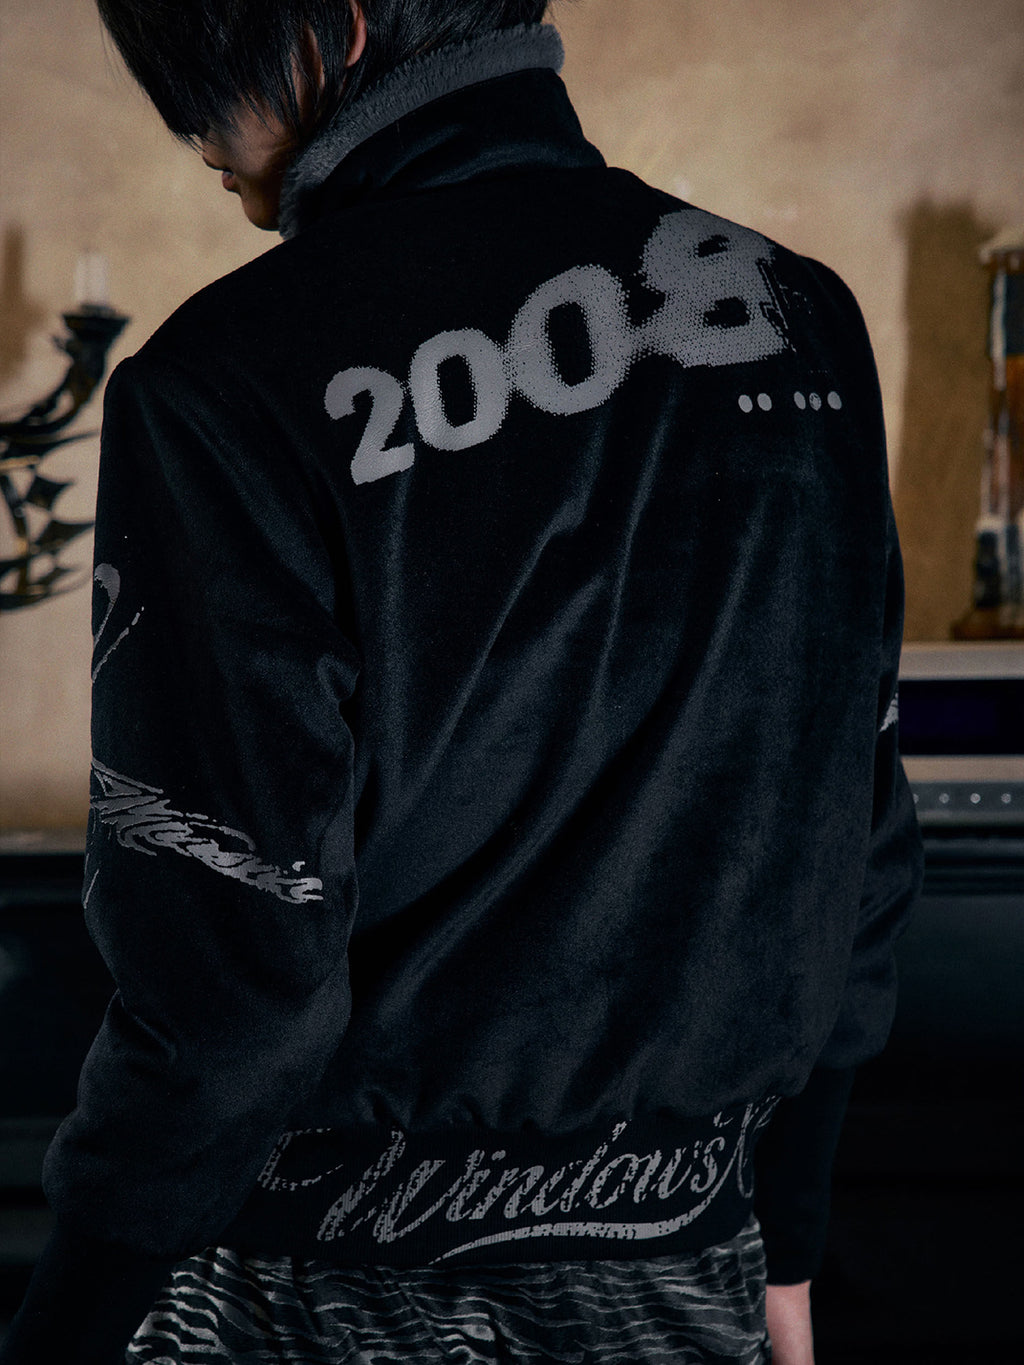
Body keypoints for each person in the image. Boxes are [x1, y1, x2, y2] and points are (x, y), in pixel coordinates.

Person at [0, 1, 922, 1361]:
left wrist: (62, 1331)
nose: (195, 140)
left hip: (315, 1299)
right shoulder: (801, 319)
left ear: (329, 31)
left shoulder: (226, 380)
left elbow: (230, 983)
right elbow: (859, 834)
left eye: (194, 82)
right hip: (689, 1273)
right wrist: (784, 1234)